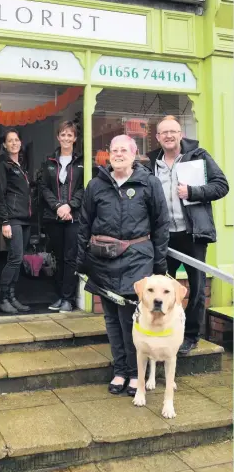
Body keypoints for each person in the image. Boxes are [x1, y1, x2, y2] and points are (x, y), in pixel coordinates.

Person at [76, 134, 169, 396]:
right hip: (102, 260)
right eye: (114, 150)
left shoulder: (149, 183)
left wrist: (159, 265)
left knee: (131, 319)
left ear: (134, 152)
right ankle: (119, 370)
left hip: (137, 260)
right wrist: (81, 260)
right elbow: (84, 223)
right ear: (108, 154)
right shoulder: (96, 185)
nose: (118, 154)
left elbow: (161, 224)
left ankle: (134, 373)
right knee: (111, 319)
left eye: (123, 150)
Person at [147, 115, 229, 355]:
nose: (169, 136)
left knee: (196, 286)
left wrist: (192, 192)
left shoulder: (198, 156)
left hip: (193, 233)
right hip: (164, 235)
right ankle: (167, 331)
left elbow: (221, 185)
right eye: (164, 132)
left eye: (173, 131)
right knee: (164, 287)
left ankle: (191, 336)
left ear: (180, 133)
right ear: (158, 137)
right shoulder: (151, 163)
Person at [40, 120, 84, 313]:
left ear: (75, 138)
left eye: (70, 135)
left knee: (70, 258)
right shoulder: (49, 161)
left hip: (74, 217)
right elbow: (44, 187)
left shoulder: (81, 162)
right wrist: (58, 206)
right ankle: (60, 296)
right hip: (53, 216)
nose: (66, 138)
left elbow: (84, 188)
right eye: (63, 134)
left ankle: (68, 299)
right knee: (57, 258)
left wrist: (70, 206)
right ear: (58, 137)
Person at [0, 128, 31, 314]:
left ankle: (11, 296)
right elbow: (0, 195)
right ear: (4, 144)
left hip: (24, 218)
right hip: (12, 218)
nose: (14, 143)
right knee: (14, 258)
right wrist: (5, 221)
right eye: (10, 140)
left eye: (17, 140)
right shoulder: (2, 163)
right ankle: (2, 298)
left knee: (18, 258)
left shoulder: (20, 164)